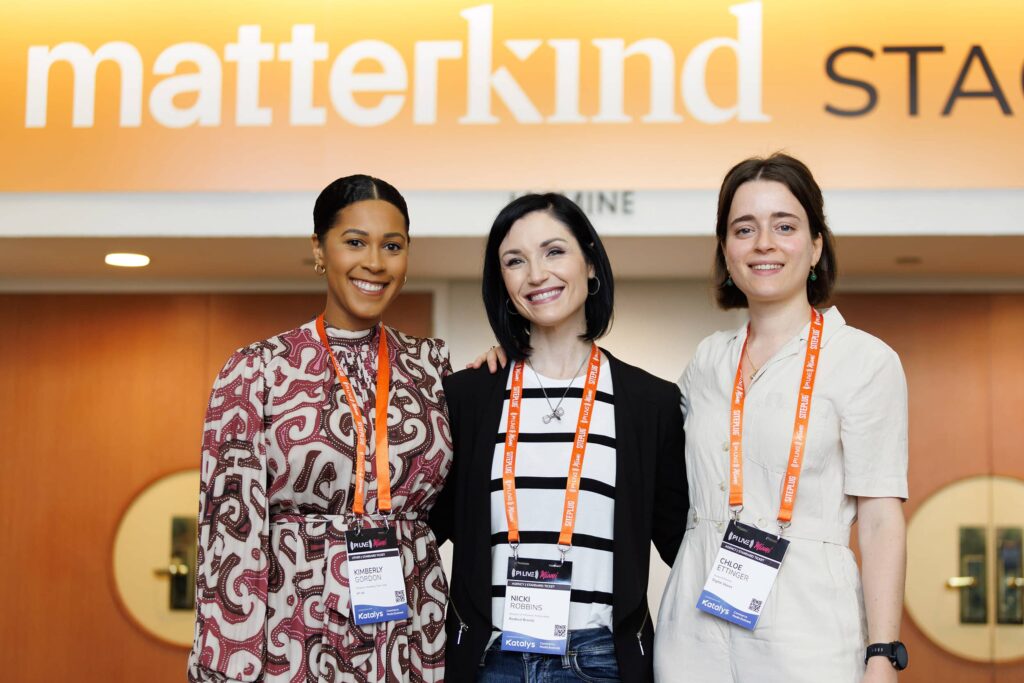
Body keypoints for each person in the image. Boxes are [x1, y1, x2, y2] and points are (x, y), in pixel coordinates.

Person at [653, 153, 909, 682]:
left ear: (816, 244)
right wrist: (522, 355)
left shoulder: (863, 360)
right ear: (726, 251)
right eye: (743, 229)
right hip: (693, 625)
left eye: (784, 226)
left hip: (810, 625)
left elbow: (882, 517)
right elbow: (637, 426)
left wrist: (883, 653)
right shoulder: (707, 361)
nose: (763, 243)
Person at [187, 175, 452, 682]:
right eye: (355, 242)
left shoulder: (433, 367)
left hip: (412, 636)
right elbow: (230, 534)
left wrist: (504, 371)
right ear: (319, 248)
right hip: (292, 639)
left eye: (392, 246)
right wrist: (227, 667)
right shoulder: (257, 369)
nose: (374, 261)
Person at [430, 193, 687, 682]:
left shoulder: (649, 403)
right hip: (489, 660)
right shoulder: (469, 397)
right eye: (515, 260)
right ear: (502, 283)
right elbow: (423, 527)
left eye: (554, 251)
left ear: (590, 264)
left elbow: (683, 542)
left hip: (601, 660)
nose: (536, 273)